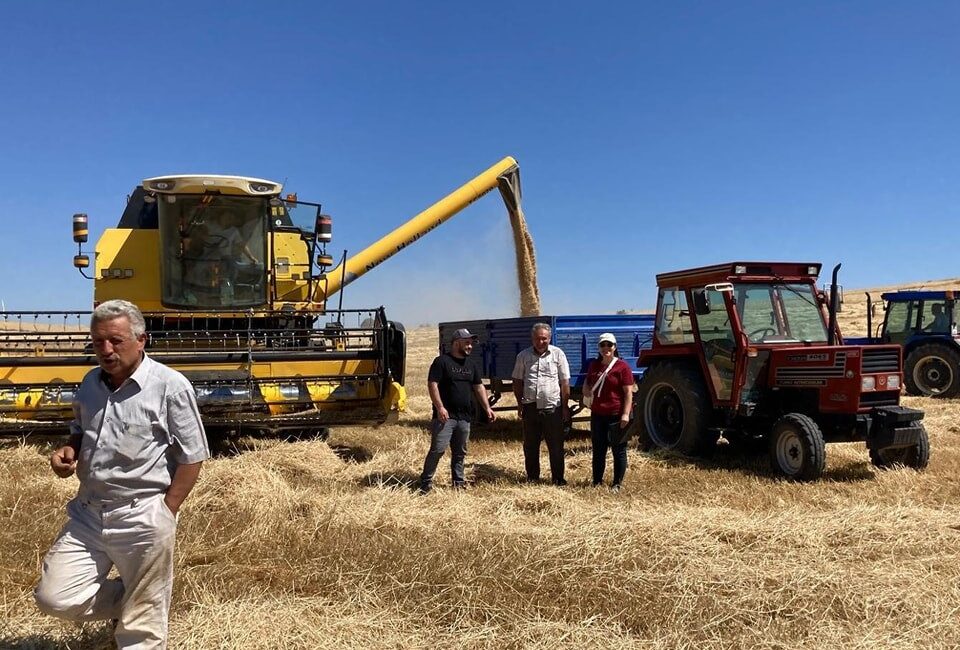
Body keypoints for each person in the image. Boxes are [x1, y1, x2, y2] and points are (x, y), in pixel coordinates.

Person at [34, 299, 209, 649]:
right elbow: (81, 430)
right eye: (98, 341)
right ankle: (135, 599)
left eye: (116, 341)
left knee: (141, 633)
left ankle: (141, 608)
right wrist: (69, 450)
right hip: (88, 512)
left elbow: (193, 455)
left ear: (141, 339)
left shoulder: (169, 386)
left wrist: (166, 509)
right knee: (54, 597)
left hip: (142, 512)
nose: (106, 350)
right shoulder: (90, 383)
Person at [419, 328, 496, 492]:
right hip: (445, 417)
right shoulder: (441, 362)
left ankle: (458, 483)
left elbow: (479, 387)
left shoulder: (471, 365)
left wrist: (487, 408)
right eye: (467, 343)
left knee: (460, 452)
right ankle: (425, 482)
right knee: (438, 450)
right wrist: (440, 407)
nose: (470, 346)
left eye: (471, 343)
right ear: (456, 343)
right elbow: (433, 385)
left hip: (464, 416)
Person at [512, 322, 571, 485]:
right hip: (530, 407)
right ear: (532, 339)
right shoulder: (523, 356)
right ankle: (532, 478)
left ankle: (558, 478)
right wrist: (519, 403)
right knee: (530, 446)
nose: (541, 342)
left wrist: (565, 407)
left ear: (550, 338)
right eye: (538, 339)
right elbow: (517, 380)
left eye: (544, 339)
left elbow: (564, 382)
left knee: (556, 446)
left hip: (553, 407)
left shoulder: (558, 354)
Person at [582, 333, 635, 491]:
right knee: (598, 449)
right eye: (602, 345)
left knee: (618, 449)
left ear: (615, 347)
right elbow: (588, 383)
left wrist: (625, 414)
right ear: (598, 348)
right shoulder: (594, 366)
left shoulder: (622, 367)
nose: (606, 348)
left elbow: (628, 393)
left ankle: (617, 484)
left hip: (616, 414)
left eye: (609, 345)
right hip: (598, 414)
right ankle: (597, 481)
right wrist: (585, 389)